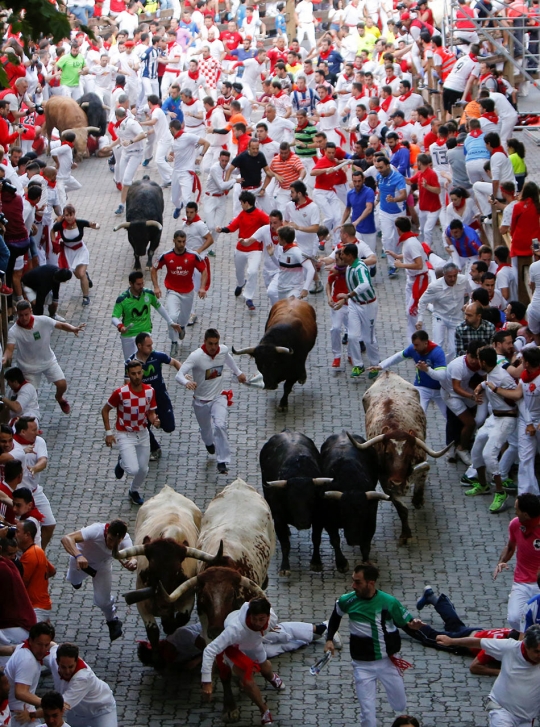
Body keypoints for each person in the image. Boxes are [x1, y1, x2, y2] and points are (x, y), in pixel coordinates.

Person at [323, 564, 424, 727]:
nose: (353, 586)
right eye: (353, 581)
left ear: (371, 583)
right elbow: (335, 617)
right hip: (362, 665)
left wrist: (413, 626)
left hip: (389, 662)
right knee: (367, 713)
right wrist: (329, 639)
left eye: (357, 582)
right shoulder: (346, 600)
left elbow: (406, 624)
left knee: (399, 704)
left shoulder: (389, 602)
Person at [200, 597, 285, 727]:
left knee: (265, 669)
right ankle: (264, 710)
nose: (257, 623)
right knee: (247, 681)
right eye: (254, 619)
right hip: (234, 648)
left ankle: (272, 677)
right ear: (249, 615)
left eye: (261, 619)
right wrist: (206, 681)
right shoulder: (234, 630)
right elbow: (210, 650)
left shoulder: (273, 618)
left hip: (255, 644)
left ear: (268, 616)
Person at [176, 328, 246, 475]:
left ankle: (223, 460)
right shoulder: (196, 356)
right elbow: (179, 374)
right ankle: (209, 443)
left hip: (218, 397)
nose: (213, 347)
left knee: (220, 425)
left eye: (216, 343)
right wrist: (185, 383)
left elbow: (227, 357)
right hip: (200, 401)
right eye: (210, 344)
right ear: (205, 342)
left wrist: (238, 372)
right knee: (206, 430)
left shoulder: (222, 350)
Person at [440, 625, 540, 727]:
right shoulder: (509, 647)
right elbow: (478, 642)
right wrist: (451, 641)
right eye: (537, 651)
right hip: (503, 711)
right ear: (527, 647)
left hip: (527, 718)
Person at [2, 300, 85, 415]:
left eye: (26, 314)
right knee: (31, 395)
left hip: (48, 361)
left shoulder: (42, 320)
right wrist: (5, 358)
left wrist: (73, 329)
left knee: (62, 385)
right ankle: (32, 420)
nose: (24, 318)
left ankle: (59, 397)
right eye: (21, 315)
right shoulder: (14, 331)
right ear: (17, 314)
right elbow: (9, 349)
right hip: (28, 367)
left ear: (31, 311)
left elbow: (60, 325)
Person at [464, 347, 520, 513]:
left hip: (506, 420)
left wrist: (496, 391)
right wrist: (481, 386)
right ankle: (482, 485)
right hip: (493, 418)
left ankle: (501, 492)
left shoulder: (502, 376)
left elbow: (514, 397)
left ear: (483, 362)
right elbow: (489, 381)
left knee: (489, 454)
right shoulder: (491, 372)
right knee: (476, 450)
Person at [61, 519, 135, 642]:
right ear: (107, 532)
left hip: (102, 566)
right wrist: (78, 556)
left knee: (102, 601)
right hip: (80, 561)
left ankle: (112, 620)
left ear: (122, 538)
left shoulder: (125, 539)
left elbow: (132, 555)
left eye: (117, 542)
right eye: (110, 539)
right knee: (73, 580)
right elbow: (67, 538)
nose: (112, 545)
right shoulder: (96, 530)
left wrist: (133, 562)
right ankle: (76, 581)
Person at [101, 359, 160, 506]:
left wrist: (154, 420)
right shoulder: (120, 393)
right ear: (129, 374)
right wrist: (109, 432)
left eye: (139, 373)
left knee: (143, 469)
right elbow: (105, 410)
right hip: (125, 434)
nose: (137, 376)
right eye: (133, 374)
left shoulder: (150, 391)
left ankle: (134, 490)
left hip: (143, 433)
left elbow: (151, 412)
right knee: (133, 469)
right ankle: (122, 463)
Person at [151, 231, 208, 352]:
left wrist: (202, 287)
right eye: (179, 242)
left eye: (183, 242)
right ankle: (174, 342)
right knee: (172, 317)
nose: (182, 244)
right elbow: (154, 269)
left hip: (188, 292)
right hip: (172, 291)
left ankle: (182, 327)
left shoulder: (193, 256)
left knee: (183, 319)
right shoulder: (166, 256)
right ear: (174, 241)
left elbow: (204, 270)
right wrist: (156, 287)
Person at [127, 332, 180, 460]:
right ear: (139, 346)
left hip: (161, 398)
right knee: (142, 427)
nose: (151, 348)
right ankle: (154, 448)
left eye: (151, 345)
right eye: (148, 346)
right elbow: (127, 384)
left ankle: (159, 421)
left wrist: (183, 375)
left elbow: (174, 362)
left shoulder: (158, 356)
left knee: (169, 427)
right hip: (143, 402)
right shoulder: (131, 363)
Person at [493, 493, 540, 630]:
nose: (515, 511)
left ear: (525, 514)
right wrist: (501, 562)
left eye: (517, 509)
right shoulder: (515, 524)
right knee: (514, 619)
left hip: (539, 583)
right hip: (522, 582)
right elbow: (510, 547)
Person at [217, 191, 270, 311]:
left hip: (255, 250)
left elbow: (271, 225)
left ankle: (249, 297)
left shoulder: (260, 215)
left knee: (252, 271)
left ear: (247, 203)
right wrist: (222, 229)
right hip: (240, 249)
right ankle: (241, 283)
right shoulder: (242, 214)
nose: (240, 205)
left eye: (241, 202)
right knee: (239, 271)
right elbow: (233, 227)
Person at [111, 271, 182, 359]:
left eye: (142, 283)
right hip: (129, 336)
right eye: (138, 284)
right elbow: (114, 317)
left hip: (145, 332)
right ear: (131, 283)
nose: (141, 286)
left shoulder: (148, 294)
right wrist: (120, 326)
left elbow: (159, 307)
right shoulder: (122, 299)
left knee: (146, 360)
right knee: (130, 363)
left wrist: (170, 322)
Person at [373, 331, 447, 415]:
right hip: (421, 388)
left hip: (439, 390)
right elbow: (398, 356)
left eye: (417, 345)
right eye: (413, 344)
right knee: (417, 415)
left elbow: (442, 376)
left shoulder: (437, 352)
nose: (414, 348)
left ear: (425, 343)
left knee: (449, 417)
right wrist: (381, 365)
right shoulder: (413, 349)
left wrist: (427, 370)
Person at [47, 643, 117, 727]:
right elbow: (52, 645)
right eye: (63, 667)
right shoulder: (53, 658)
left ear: (76, 661)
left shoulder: (83, 678)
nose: (67, 671)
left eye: (71, 667)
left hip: (101, 712)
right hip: (76, 713)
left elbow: (57, 707)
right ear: (57, 661)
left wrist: (32, 714)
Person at [338, 243, 380, 380]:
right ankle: (358, 364)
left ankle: (375, 364)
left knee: (369, 339)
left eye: (343, 253)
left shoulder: (360, 267)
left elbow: (365, 284)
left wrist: (348, 295)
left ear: (350, 256)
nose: (341, 255)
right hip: (354, 304)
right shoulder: (349, 265)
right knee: (352, 336)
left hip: (368, 306)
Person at [5, 621, 55, 727]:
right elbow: (20, 692)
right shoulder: (28, 661)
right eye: (39, 644)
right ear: (31, 641)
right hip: (20, 717)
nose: (43, 650)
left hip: (19, 711)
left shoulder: (23, 648)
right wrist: (48, 704)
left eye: (46, 645)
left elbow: (12, 649)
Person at [386, 217, 429, 337]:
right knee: (409, 313)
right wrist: (398, 256)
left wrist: (401, 265)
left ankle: (421, 338)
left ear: (398, 229)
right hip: (412, 280)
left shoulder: (411, 243)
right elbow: (410, 256)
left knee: (412, 313)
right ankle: (413, 340)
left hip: (418, 280)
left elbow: (419, 264)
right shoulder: (409, 240)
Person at [416, 263, 468, 362]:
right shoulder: (434, 286)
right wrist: (420, 319)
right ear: (444, 275)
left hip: (457, 319)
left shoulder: (464, 280)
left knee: (453, 349)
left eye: (455, 276)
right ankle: (434, 364)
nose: (453, 279)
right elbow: (422, 301)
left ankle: (445, 365)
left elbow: (472, 293)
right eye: (450, 276)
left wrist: (468, 305)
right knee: (438, 345)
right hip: (440, 317)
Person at [51, 205, 99, 306]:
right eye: (66, 215)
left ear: (74, 214)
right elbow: (52, 231)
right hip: (68, 252)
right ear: (63, 215)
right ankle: (86, 276)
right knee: (78, 275)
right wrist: (54, 242)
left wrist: (96, 225)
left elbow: (92, 224)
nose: (69, 217)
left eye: (71, 215)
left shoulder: (79, 223)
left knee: (80, 274)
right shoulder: (60, 225)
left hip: (80, 250)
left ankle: (86, 297)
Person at [16, 520, 55, 624]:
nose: (14, 534)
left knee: (30, 638)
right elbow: (51, 570)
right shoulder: (37, 550)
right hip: (41, 605)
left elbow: (21, 583)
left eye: (17, 531)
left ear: (27, 535)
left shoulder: (30, 555)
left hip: (36, 607)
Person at [375, 156, 407, 278]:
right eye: (377, 168)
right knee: (387, 238)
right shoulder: (379, 176)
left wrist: (394, 199)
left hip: (398, 212)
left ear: (388, 165)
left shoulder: (398, 178)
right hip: (384, 211)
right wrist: (377, 201)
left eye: (381, 167)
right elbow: (380, 190)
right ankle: (392, 265)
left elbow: (404, 195)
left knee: (399, 238)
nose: (380, 170)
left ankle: (397, 256)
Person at [267, 225, 315, 305]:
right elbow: (281, 266)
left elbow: (311, 269)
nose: (277, 238)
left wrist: (305, 288)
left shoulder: (297, 252)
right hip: (281, 288)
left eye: (278, 237)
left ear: (283, 239)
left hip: (294, 289)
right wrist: (272, 255)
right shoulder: (281, 249)